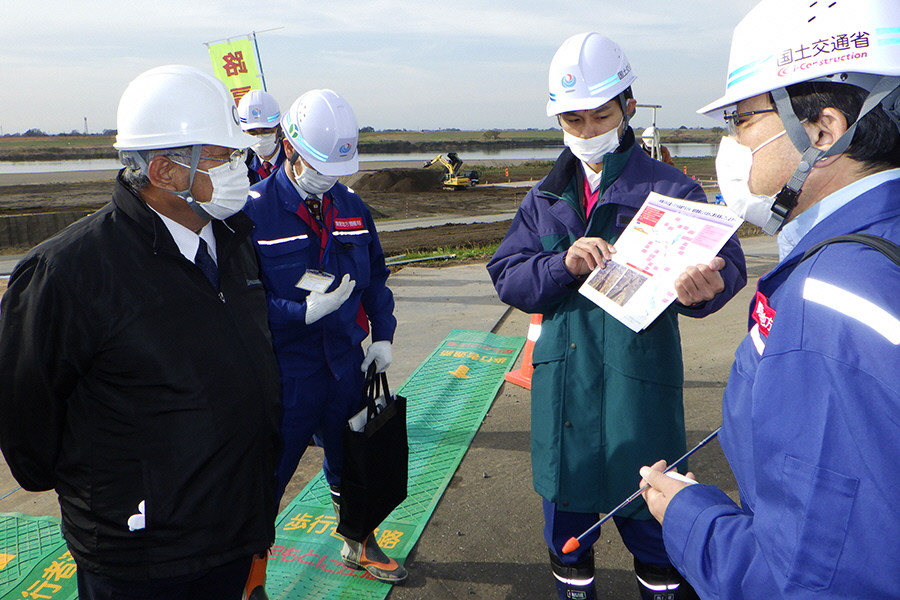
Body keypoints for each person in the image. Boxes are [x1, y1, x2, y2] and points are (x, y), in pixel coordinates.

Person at [639, 0, 900, 598]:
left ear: (823, 130)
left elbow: (810, 580)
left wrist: (689, 514)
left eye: (741, 121)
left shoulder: (829, 306)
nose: (731, 144)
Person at [0, 65, 282, 600]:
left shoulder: (233, 244)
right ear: (166, 171)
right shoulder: (71, 272)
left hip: (235, 533)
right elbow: (24, 416)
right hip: (143, 558)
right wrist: (108, 496)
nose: (240, 169)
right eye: (223, 156)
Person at [486, 33, 747, 600]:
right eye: (572, 119)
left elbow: (729, 263)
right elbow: (507, 274)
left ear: (628, 106)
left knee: (656, 533)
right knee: (568, 538)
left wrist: (708, 286)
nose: (585, 131)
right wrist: (561, 265)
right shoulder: (544, 197)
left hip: (639, 391)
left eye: (598, 115)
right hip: (565, 394)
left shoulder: (671, 188)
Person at [242, 89, 406, 583]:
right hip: (286, 370)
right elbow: (242, 298)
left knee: (354, 461)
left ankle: (359, 540)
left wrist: (382, 335)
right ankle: (250, 574)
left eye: (337, 168)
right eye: (317, 164)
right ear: (288, 148)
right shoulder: (253, 212)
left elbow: (375, 278)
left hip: (345, 363)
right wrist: (300, 311)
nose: (327, 179)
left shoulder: (352, 206)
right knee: (266, 477)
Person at [238, 90, 286, 184]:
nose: (260, 138)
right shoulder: (241, 167)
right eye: (252, 133)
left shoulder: (296, 164)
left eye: (266, 132)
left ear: (278, 129)